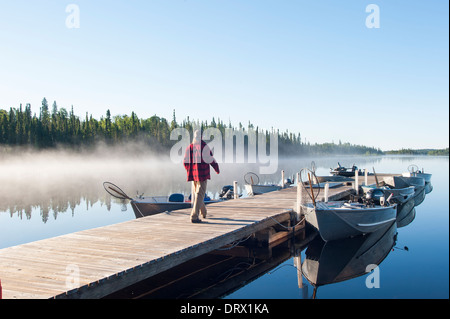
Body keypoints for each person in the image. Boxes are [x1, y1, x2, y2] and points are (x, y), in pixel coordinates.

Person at [183, 130, 220, 223]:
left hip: (194, 175)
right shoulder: (204, 146)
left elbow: (185, 162)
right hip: (202, 174)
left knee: (198, 194)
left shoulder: (190, 147)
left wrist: (189, 170)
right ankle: (194, 216)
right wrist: (216, 168)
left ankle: (204, 212)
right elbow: (210, 159)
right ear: (202, 137)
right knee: (200, 194)